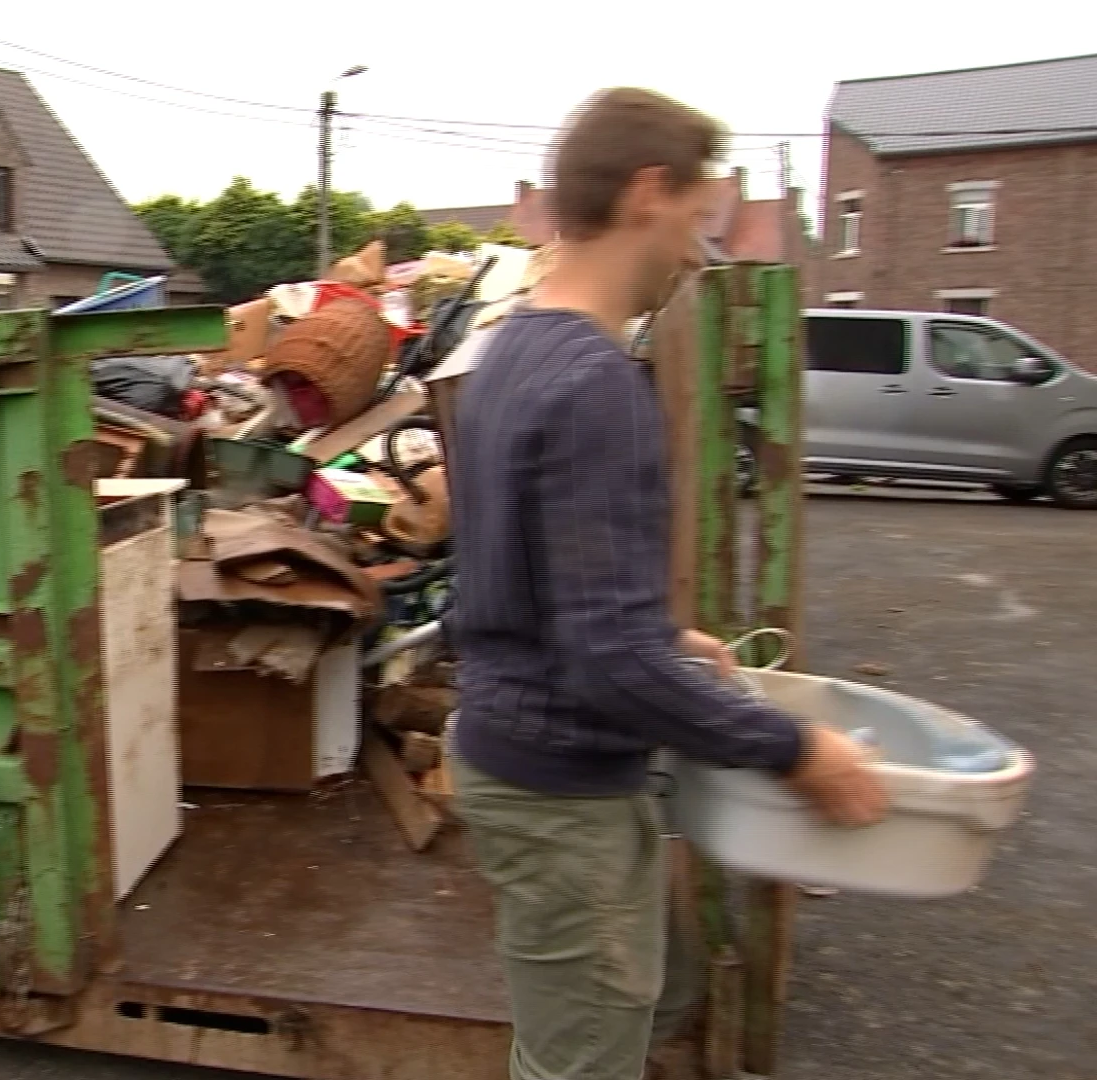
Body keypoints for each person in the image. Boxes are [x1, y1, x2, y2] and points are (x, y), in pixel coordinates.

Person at [445, 87, 890, 1080]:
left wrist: (658, 638)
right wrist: (796, 751)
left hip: (518, 758)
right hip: (559, 791)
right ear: (649, 194)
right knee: (581, 1062)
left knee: (601, 1023)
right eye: (696, 220)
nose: (698, 254)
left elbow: (511, 582)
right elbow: (606, 666)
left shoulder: (507, 350)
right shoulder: (598, 381)